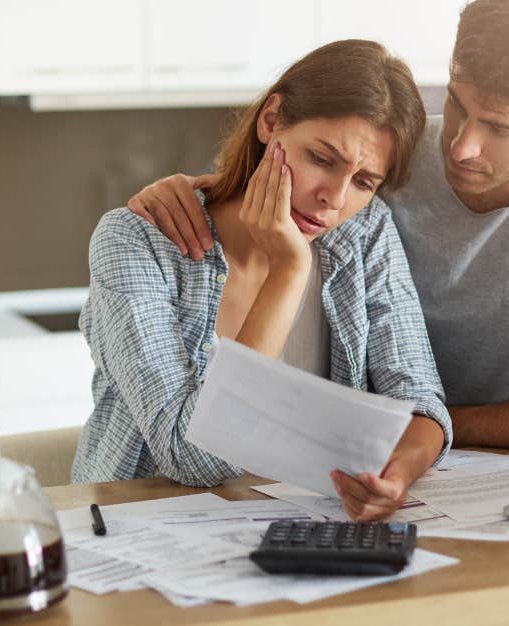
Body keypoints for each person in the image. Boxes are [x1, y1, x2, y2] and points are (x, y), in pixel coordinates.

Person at [129, 0, 509, 451]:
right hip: (366, 457)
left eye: (500, 129)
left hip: (436, 456)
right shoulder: (393, 157)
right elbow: (286, 185)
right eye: (457, 103)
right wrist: (192, 190)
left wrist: (420, 427)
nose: (461, 147)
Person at [72, 39, 452, 522]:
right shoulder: (137, 243)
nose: (332, 200)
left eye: (363, 182)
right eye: (321, 158)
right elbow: (196, 460)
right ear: (271, 120)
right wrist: (289, 271)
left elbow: (420, 400)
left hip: (300, 524)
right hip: (147, 529)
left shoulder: (364, 230)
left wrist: (398, 474)